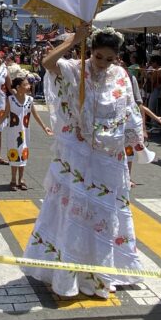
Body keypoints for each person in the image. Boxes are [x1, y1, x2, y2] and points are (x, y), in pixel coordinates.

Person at [23, 25, 150, 299]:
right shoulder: (74, 68)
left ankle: (99, 273)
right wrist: (74, 40)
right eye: (98, 56)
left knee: (104, 213)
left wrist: (133, 138)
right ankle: (65, 272)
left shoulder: (121, 76)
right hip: (77, 154)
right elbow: (47, 63)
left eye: (109, 59)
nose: (103, 63)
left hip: (108, 156)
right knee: (74, 208)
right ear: (90, 51)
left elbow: (128, 110)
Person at [0, 75, 50, 191]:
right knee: (14, 155)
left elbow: (36, 115)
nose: (28, 86)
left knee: (23, 155)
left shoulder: (29, 100)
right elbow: (5, 114)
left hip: (25, 133)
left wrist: (45, 127)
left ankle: (21, 179)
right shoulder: (11, 99)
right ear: (19, 87)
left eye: (28, 84)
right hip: (13, 133)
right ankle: (13, 180)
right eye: (25, 84)